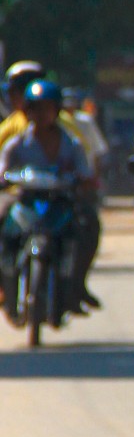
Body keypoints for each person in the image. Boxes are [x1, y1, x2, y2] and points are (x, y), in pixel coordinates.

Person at [0, 79, 95, 323]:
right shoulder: (17, 143)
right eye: (35, 109)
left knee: (89, 223)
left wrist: (83, 182)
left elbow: (85, 173)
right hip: (26, 201)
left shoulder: (72, 144)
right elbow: (3, 170)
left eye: (47, 108)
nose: (41, 115)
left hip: (59, 203)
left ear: (57, 110)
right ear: (27, 111)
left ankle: (76, 286)